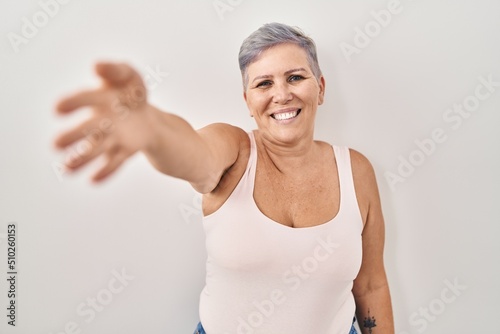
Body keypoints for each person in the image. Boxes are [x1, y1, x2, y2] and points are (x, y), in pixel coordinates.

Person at [54, 22, 394, 334]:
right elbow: (194, 154)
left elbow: (370, 285)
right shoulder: (235, 150)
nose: (281, 94)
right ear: (248, 101)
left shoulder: (356, 170)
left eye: (295, 77)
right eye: (264, 83)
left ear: (319, 88)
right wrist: (152, 128)